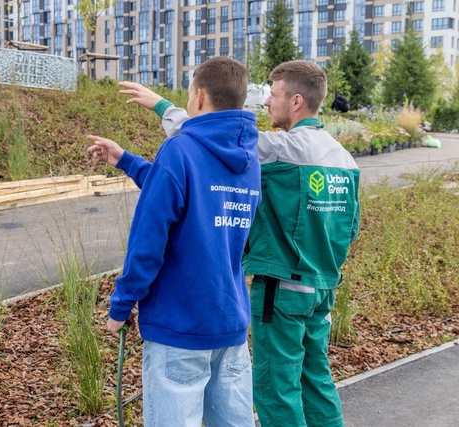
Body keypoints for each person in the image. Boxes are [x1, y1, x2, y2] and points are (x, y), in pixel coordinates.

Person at [109, 60, 360, 427]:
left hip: (281, 288)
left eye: (272, 94)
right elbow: (350, 228)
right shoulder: (344, 158)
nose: (265, 104)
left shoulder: (274, 151)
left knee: (277, 388)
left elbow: (206, 140)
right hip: (319, 288)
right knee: (316, 379)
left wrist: (161, 106)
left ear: (296, 101)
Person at [87, 57, 261, 426]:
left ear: (198, 96)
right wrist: (126, 160)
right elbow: (192, 194)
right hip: (229, 323)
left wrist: (121, 306)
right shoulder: (249, 160)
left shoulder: (180, 150)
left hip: (179, 326)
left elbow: (147, 241)